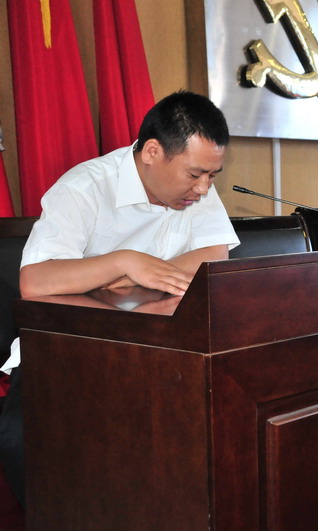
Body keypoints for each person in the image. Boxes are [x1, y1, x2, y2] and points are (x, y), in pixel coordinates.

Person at [0, 90, 240, 508]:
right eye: (195, 174)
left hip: (162, 350)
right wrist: (124, 262)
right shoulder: (83, 188)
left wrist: (130, 279)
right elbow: (35, 282)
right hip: (68, 351)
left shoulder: (195, 190)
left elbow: (213, 257)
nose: (203, 188)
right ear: (152, 152)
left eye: (212, 176)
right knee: (31, 443)